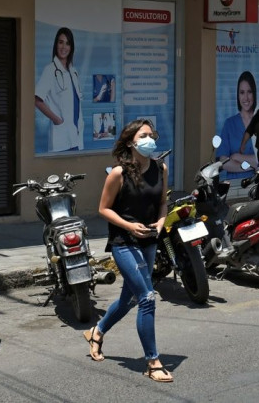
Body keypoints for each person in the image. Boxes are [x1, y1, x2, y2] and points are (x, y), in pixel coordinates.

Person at [82, 119, 173, 383]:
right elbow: (103, 209)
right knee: (146, 297)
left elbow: (163, 201)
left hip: (150, 239)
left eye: (151, 134)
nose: (150, 139)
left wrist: (161, 221)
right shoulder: (118, 173)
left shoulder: (161, 168)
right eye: (144, 135)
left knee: (129, 299)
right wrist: (129, 226)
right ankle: (153, 361)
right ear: (131, 142)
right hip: (124, 241)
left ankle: (96, 332)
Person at [35, 27, 84, 152]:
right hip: (61, 137)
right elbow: (37, 99)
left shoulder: (73, 71)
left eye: (68, 43)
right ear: (56, 44)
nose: (64, 47)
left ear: (71, 47)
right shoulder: (50, 70)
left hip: (76, 135)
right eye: (61, 42)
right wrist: (57, 120)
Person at [217, 71, 258, 178]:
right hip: (234, 187)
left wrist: (236, 156)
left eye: (249, 92)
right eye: (242, 92)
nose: (246, 98)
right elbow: (224, 162)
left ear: (254, 93)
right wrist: (252, 166)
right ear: (237, 95)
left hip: (257, 185)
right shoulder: (229, 124)